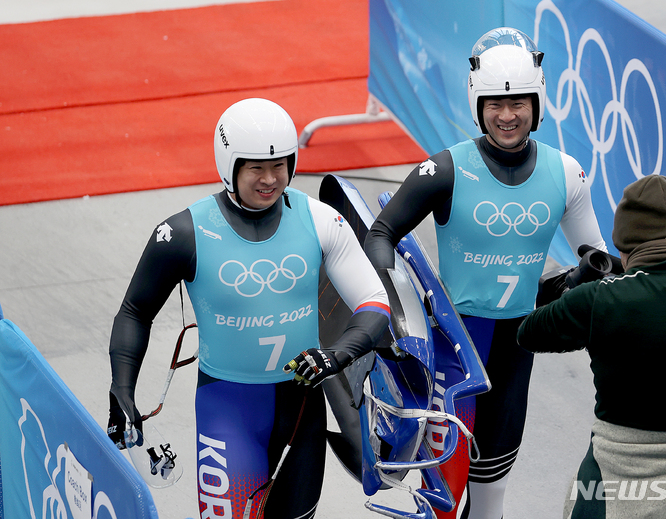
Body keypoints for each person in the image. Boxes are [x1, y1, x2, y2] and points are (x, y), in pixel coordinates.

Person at [106, 98, 391, 519]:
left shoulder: (320, 219)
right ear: (229, 165)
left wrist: (337, 354)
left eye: (280, 165)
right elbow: (134, 311)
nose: (271, 179)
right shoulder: (184, 233)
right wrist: (121, 388)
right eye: (256, 167)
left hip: (302, 414)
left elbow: (375, 301)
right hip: (229, 412)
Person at [363, 27, 607, 519]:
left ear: (537, 103)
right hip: (453, 346)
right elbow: (379, 234)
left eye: (518, 102)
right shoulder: (447, 169)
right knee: (442, 497)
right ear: (478, 105)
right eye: (495, 103)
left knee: (493, 488)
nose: (507, 115)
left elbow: (599, 260)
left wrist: (571, 284)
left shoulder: (567, 174)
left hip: (517, 347)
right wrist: (393, 309)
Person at [517, 174, 666, 518]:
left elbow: (528, 333)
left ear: (624, 244)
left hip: (617, 476)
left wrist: (571, 290)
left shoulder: (598, 299)